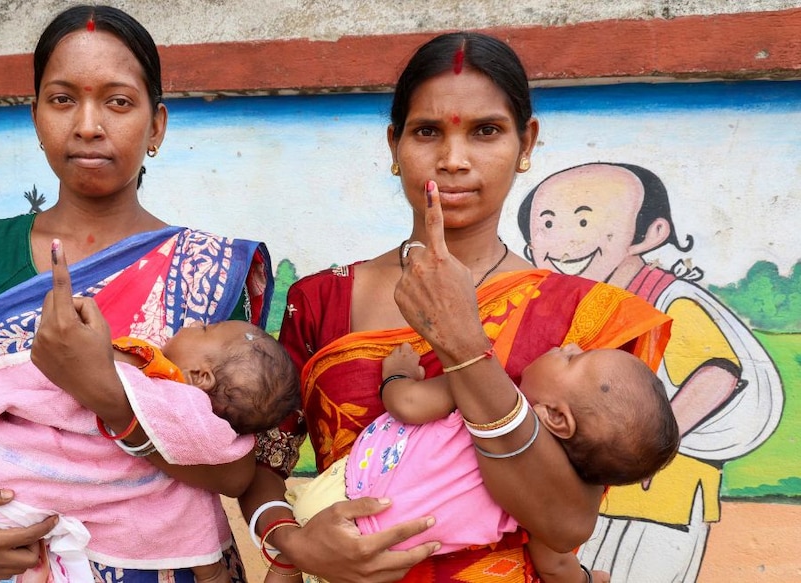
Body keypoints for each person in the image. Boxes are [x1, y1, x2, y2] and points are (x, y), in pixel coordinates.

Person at [238, 32, 672, 583]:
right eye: (427, 132)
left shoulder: (583, 319)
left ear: (527, 143)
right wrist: (294, 544)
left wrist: (465, 347)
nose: (454, 160)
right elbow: (262, 464)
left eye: (486, 131)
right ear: (395, 146)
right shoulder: (321, 300)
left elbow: (564, 524)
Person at [0, 6, 274, 582]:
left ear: (157, 126)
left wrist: (112, 400)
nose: (88, 125)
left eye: (118, 101)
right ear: (37, 117)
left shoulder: (211, 273)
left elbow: (242, 473)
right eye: (63, 99)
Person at [517, 162, 784, 582]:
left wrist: (645, 451)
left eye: (584, 219)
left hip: (660, 499)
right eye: (547, 223)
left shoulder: (665, 300)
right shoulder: (581, 305)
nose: (565, 240)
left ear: (651, 233)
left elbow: (716, 372)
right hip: (594, 499)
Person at [0, 317, 299, 582]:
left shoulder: (175, 399)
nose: (191, 324)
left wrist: (101, 381)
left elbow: (229, 463)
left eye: (204, 328)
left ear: (201, 377)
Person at [279, 339, 679, 583]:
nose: (570, 345)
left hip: (339, 499)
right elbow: (556, 568)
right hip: (375, 566)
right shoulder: (548, 505)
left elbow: (407, 404)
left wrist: (396, 376)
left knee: (286, 564)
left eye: (575, 359)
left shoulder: (488, 395)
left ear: (557, 417)